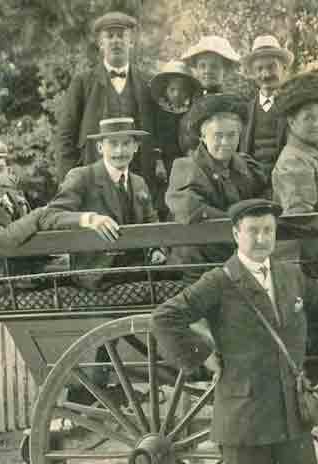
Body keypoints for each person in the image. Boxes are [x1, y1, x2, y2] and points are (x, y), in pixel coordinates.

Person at [151, 198, 318, 464]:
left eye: (267, 231)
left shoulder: (289, 275)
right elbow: (164, 318)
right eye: (253, 231)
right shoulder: (219, 281)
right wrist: (202, 354)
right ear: (236, 234)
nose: (261, 239)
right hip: (245, 423)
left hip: (291, 419)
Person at [0, 141, 117, 304]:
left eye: (0, 169)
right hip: (3, 284)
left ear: (8, 170)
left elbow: (44, 220)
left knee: (101, 265)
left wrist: (88, 219)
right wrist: (39, 214)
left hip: (34, 270)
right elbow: (5, 238)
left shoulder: (14, 196)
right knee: (93, 273)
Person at [55, 12, 164, 216]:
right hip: (94, 183)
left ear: (131, 42)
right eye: (110, 36)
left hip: (138, 182)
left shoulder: (148, 83)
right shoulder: (83, 83)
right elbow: (65, 137)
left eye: (121, 35)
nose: (116, 41)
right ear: (100, 43)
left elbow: (159, 133)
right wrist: (68, 182)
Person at [42, 117, 165, 290]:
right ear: (100, 147)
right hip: (98, 273)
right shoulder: (82, 177)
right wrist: (89, 219)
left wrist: (156, 249)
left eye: (126, 144)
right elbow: (50, 216)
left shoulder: (139, 182)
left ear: (136, 147)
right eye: (112, 144)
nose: (119, 151)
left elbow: (151, 221)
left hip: (140, 269)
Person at [165, 94, 265, 279]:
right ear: (203, 137)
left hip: (240, 260)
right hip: (198, 266)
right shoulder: (186, 167)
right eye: (218, 135)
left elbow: (264, 197)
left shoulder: (247, 166)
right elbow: (189, 210)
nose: (225, 143)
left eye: (231, 135)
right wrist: (244, 224)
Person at [271, 71, 318, 214]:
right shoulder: (293, 161)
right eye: (309, 118)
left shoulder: (317, 152)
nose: (317, 124)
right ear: (292, 121)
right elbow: (300, 219)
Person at [239, 35, 293, 196]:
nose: (266, 74)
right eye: (259, 69)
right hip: (252, 189)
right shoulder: (244, 110)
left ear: (284, 68)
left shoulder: (294, 107)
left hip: (287, 186)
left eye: (271, 67)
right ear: (252, 73)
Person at [149, 60, 202, 220]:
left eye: (182, 90)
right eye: (172, 90)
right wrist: (158, 162)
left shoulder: (193, 112)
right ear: (165, 91)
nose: (177, 94)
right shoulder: (158, 113)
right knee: (165, 195)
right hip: (165, 162)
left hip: (186, 160)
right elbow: (155, 139)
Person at [180, 36, 242, 155]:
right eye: (202, 66)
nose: (207, 71)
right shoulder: (192, 100)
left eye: (214, 66)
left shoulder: (231, 103)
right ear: (196, 69)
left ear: (225, 70)